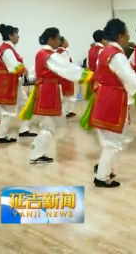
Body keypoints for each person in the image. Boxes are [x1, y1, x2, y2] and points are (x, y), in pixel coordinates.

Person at [80, 19, 136, 188]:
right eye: (127, 33)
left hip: (104, 96)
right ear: (121, 36)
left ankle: (105, 168)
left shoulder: (105, 51)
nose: (129, 36)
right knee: (113, 142)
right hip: (112, 99)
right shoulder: (115, 55)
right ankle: (102, 176)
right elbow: (129, 77)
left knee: (110, 140)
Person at [19, 28, 92, 164]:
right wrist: (87, 75)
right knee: (49, 126)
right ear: (51, 39)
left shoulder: (41, 53)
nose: (59, 41)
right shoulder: (49, 55)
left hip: (46, 89)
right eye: (58, 39)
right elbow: (67, 68)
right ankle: (37, 154)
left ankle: (37, 144)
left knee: (48, 124)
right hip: (48, 90)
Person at [0, 24, 35, 144]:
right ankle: (2, 136)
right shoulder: (6, 50)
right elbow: (14, 66)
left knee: (25, 104)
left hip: (11, 81)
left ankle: (24, 129)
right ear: (10, 35)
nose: (18, 37)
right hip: (6, 82)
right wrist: (25, 70)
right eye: (16, 34)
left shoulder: (8, 48)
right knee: (7, 110)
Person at [56, 36, 77, 118]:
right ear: (61, 42)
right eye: (65, 40)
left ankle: (68, 111)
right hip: (66, 76)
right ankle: (66, 112)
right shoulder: (64, 52)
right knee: (68, 96)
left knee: (65, 96)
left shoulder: (58, 52)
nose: (67, 42)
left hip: (62, 76)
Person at [85, 29, 107, 100]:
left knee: (94, 99)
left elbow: (87, 64)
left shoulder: (90, 49)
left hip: (92, 76)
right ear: (103, 39)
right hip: (100, 78)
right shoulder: (103, 50)